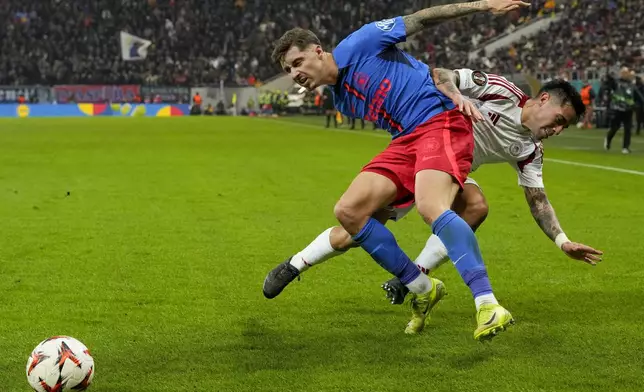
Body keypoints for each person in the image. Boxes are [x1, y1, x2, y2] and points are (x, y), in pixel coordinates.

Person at [262, 68, 603, 337]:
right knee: (354, 227)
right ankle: (296, 264)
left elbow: (538, 201)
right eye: (559, 119)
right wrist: (457, 94)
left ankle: (418, 279)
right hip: (422, 144)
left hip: (451, 168)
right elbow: (443, 74)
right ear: (543, 99)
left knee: (475, 206)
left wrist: (562, 241)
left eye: (564, 126)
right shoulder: (500, 91)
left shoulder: (530, 150)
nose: (557, 130)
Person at [264, 0, 530, 342]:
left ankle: (488, 303)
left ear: (318, 51)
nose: (295, 74)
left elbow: (422, 18)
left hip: (439, 120)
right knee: (349, 211)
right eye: (288, 70)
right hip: (406, 141)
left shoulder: (361, 41)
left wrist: (483, 6)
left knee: (432, 207)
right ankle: (422, 286)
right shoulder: (340, 98)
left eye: (297, 62)